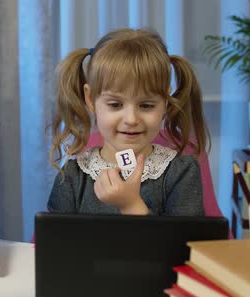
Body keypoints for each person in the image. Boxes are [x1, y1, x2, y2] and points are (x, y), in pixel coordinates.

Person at [48, 28, 210, 216]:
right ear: (91, 99)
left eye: (146, 105)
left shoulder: (182, 173)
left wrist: (131, 205)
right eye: (115, 105)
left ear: (165, 101)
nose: (131, 119)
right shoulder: (70, 177)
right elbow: (58, 241)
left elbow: (182, 244)